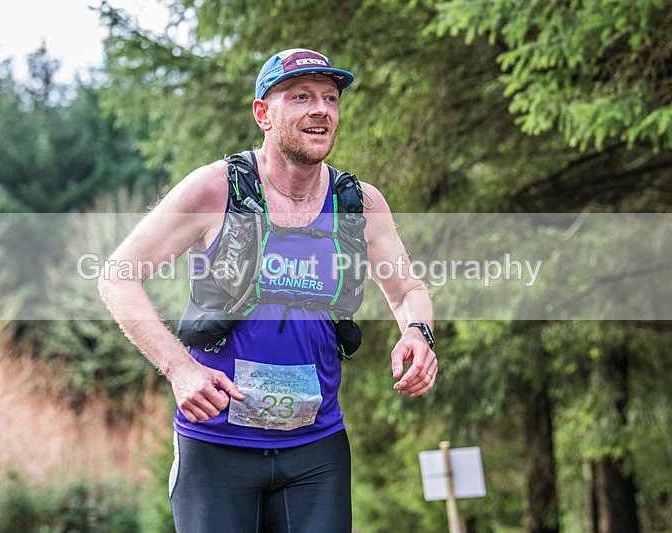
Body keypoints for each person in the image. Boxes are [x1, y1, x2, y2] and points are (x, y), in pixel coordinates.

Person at [98, 48, 437, 532]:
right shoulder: (216, 190)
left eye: (330, 98)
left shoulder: (358, 202)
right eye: (300, 96)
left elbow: (406, 292)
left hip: (316, 451)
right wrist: (179, 368)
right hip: (216, 448)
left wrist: (418, 334)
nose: (321, 109)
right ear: (263, 113)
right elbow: (117, 275)